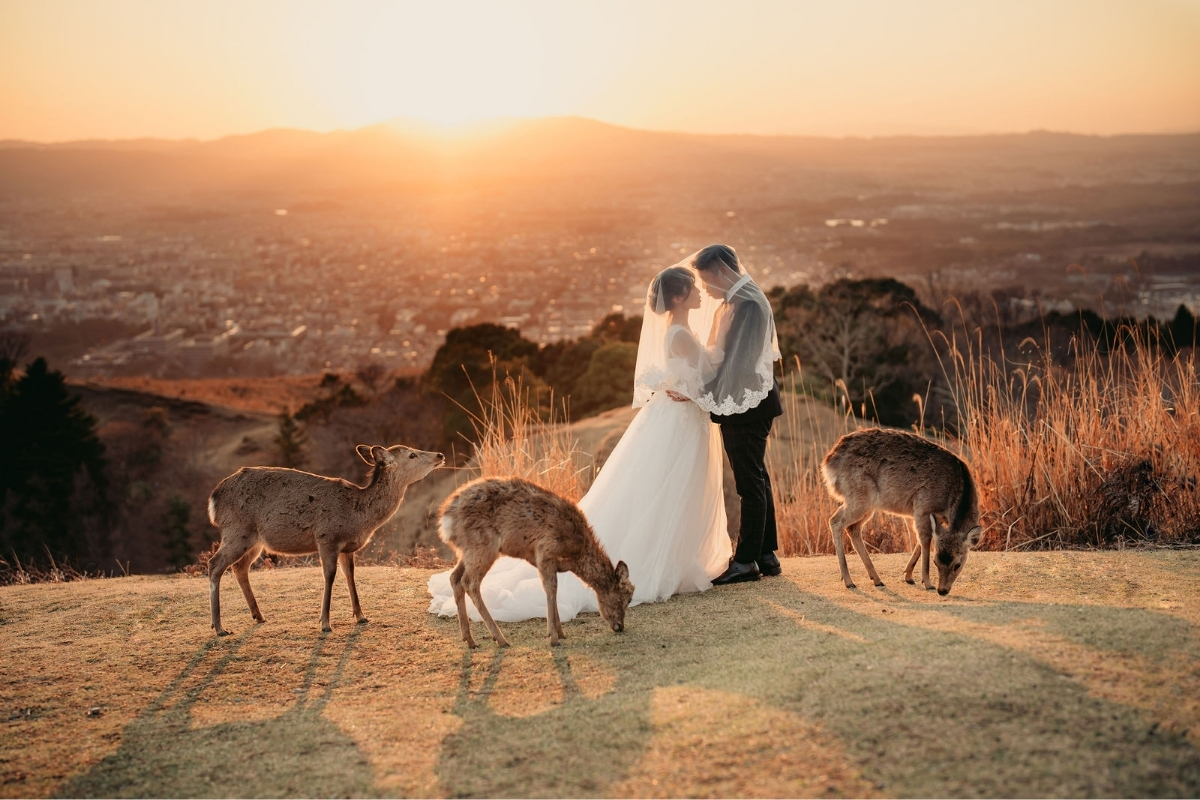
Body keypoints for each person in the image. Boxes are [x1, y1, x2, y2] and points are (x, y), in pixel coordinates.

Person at [427, 264, 732, 624]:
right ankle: (660, 565)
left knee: (669, 491)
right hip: (677, 423)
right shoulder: (680, 333)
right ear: (679, 297)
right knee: (667, 491)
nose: (699, 293)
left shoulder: (677, 329)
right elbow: (712, 369)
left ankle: (676, 560)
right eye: (693, 288)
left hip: (677, 418)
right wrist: (722, 332)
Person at [689, 244, 783, 584]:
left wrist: (699, 393)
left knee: (749, 482)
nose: (705, 288)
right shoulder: (737, 300)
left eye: (706, 280)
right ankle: (765, 553)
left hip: (746, 404)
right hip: (747, 402)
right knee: (757, 475)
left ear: (720, 271)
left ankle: (745, 561)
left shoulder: (747, 305)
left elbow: (738, 364)